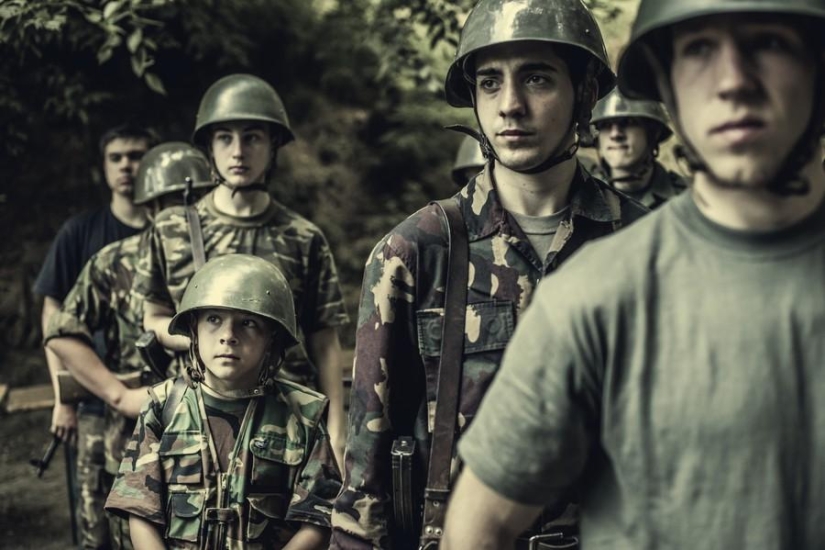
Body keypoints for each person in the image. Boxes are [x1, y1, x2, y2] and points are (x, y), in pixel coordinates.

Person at [443, 0, 825, 548]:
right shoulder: (598, 292)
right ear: (667, 87)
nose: (733, 82)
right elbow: (479, 526)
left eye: (768, 43)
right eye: (698, 50)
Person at [331, 0, 647, 548]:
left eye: (538, 78)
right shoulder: (414, 253)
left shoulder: (646, 248)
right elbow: (366, 481)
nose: (511, 106)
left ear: (586, 93)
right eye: (489, 82)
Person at [135, 74, 349, 468]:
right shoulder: (171, 229)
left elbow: (324, 340)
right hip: (195, 416)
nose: (238, 151)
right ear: (209, 148)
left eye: (252, 137)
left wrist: (336, 426)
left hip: (287, 423)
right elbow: (153, 318)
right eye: (224, 138)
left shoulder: (303, 237)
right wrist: (205, 340)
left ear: (273, 147)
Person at [106, 254, 341, 549]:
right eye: (214, 319)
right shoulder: (162, 406)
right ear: (194, 329)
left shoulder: (303, 414)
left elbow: (318, 519)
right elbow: (138, 511)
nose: (228, 336)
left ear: (272, 337)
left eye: (248, 323)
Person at [45, 142, 214, 549]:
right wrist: (116, 394)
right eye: (168, 205)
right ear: (150, 209)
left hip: (219, 445)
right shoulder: (115, 261)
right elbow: (61, 329)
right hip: (137, 443)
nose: (179, 215)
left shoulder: (229, 264)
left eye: (188, 203)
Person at [33, 121, 156, 549]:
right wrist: (62, 397)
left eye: (136, 155)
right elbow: (55, 316)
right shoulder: (81, 232)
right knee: (96, 522)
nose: (127, 167)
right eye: (116, 158)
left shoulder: (174, 239)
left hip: (157, 399)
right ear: (103, 168)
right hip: (93, 399)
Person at [591, 87, 686, 208]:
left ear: (652, 133)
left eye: (628, 122)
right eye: (605, 125)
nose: (615, 134)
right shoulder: (580, 197)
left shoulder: (688, 199)